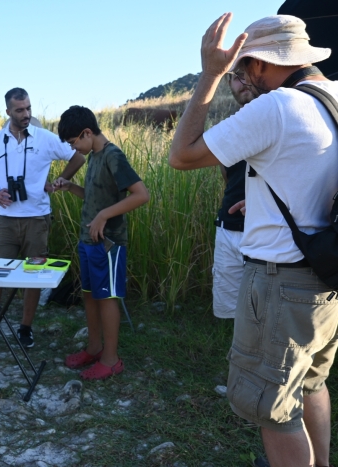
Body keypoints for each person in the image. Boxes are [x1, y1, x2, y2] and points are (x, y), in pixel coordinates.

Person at [169, 14, 338, 467]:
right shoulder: (333, 96)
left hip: (280, 284)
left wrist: (210, 74)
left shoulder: (278, 106)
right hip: (325, 279)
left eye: (242, 69)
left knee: (274, 408)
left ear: (263, 64)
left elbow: (181, 155)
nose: (240, 78)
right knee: (312, 384)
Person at [0, 88, 86, 351]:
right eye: (20, 110)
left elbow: (78, 156)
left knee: (33, 276)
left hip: (38, 219)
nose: (26, 114)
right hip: (6, 220)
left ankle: (26, 328)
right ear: (8, 112)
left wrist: (61, 180)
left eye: (28, 108)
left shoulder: (45, 138)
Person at [54, 106, 149, 380]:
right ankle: (94, 348)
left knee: (106, 297)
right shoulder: (94, 155)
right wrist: (70, 187)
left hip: (109, 243)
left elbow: (141, 194)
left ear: (86, 133)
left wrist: (104, 216)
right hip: (88, 241)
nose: (74, 149)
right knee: (90, 294)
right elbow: (96, 197)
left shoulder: (112, 155)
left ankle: (111, 359)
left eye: (74, 143)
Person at [211, 71, 257, 319]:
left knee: (264, 308)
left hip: (266, 230)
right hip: (228, 226)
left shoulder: (281, 116)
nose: (242, 82)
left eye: (248, 74)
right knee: (228, 309)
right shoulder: (229, 127)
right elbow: (227, 176)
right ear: (228, 83)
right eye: (235, 77)